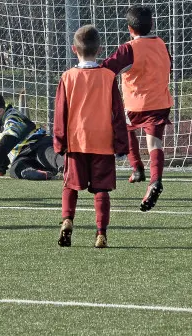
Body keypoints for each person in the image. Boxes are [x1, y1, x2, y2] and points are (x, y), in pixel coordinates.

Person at [54, 25, 128, 248]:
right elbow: (117, 113)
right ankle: (101, 234)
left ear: (73, 49)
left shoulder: (67, 77)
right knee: (102, 189)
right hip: (103, 142)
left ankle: (67, 220)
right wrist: (121, 144)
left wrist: (59, 142)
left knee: (70, 185)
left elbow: (60, 112)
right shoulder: (108, 77)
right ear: (100, 49)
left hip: (76, 141)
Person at [103, 5, 172, 212]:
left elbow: (108, 68)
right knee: (154, 143)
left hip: (136, 104)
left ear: (130, 28)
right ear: (152, 25)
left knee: (123, 126)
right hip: (161, 102)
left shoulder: (129, 48)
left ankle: (136, 167)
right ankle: (155, 180)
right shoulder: (161, 43)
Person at [0, 90, 64, 181]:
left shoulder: (12, 116)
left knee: (49, 155)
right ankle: (37, 173)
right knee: (15, 169)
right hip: (23, 155)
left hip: (38, 144)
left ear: (0, 111)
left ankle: (67, 165)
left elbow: (9, 139)